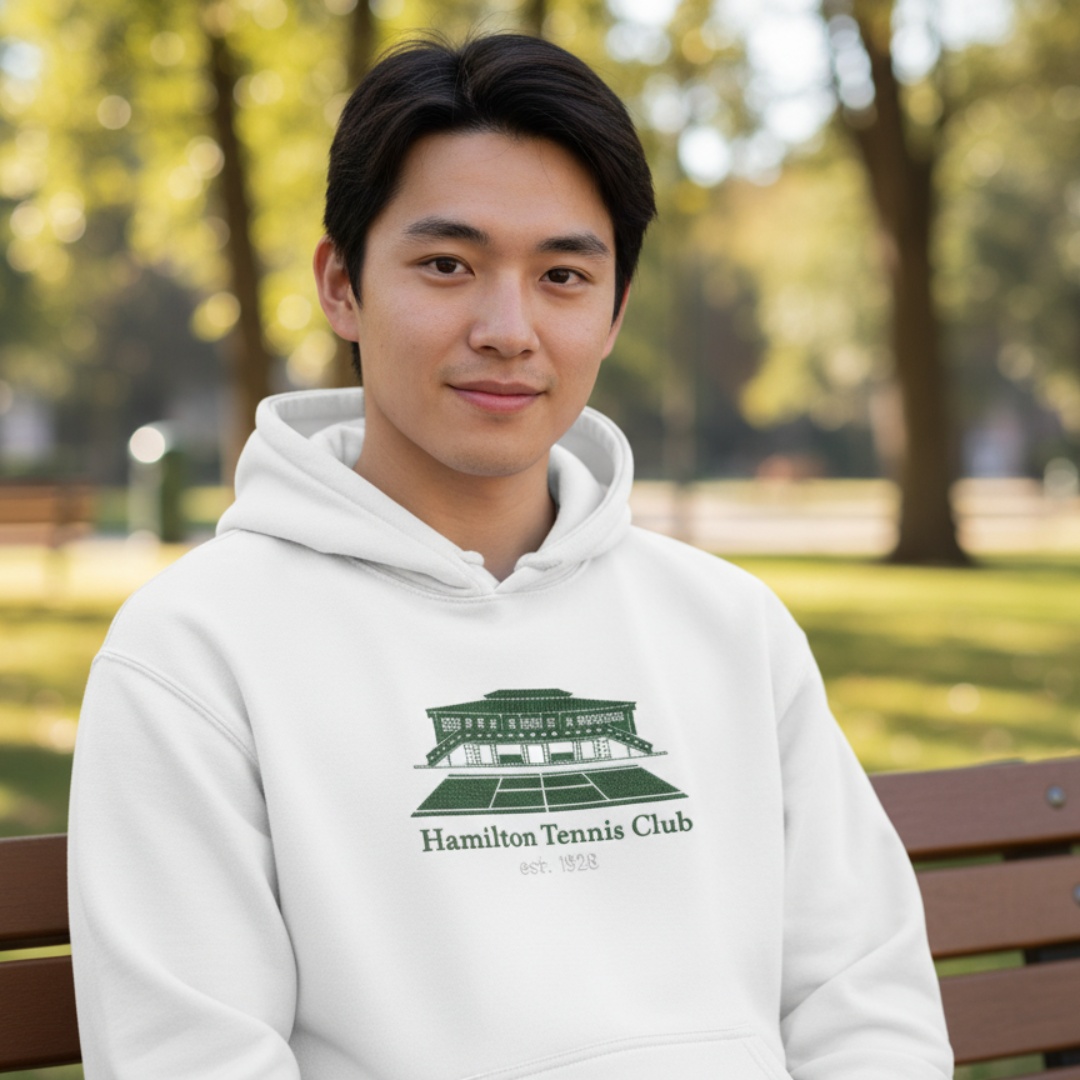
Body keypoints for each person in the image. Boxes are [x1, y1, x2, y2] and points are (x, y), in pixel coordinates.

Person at [68, 32, 953, 1080]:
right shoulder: (194, 655)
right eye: (448, 264)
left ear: (616, 309)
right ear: (341, 285)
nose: (507, 327)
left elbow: (865, 1000)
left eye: (564, 275)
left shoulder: (729, 626)